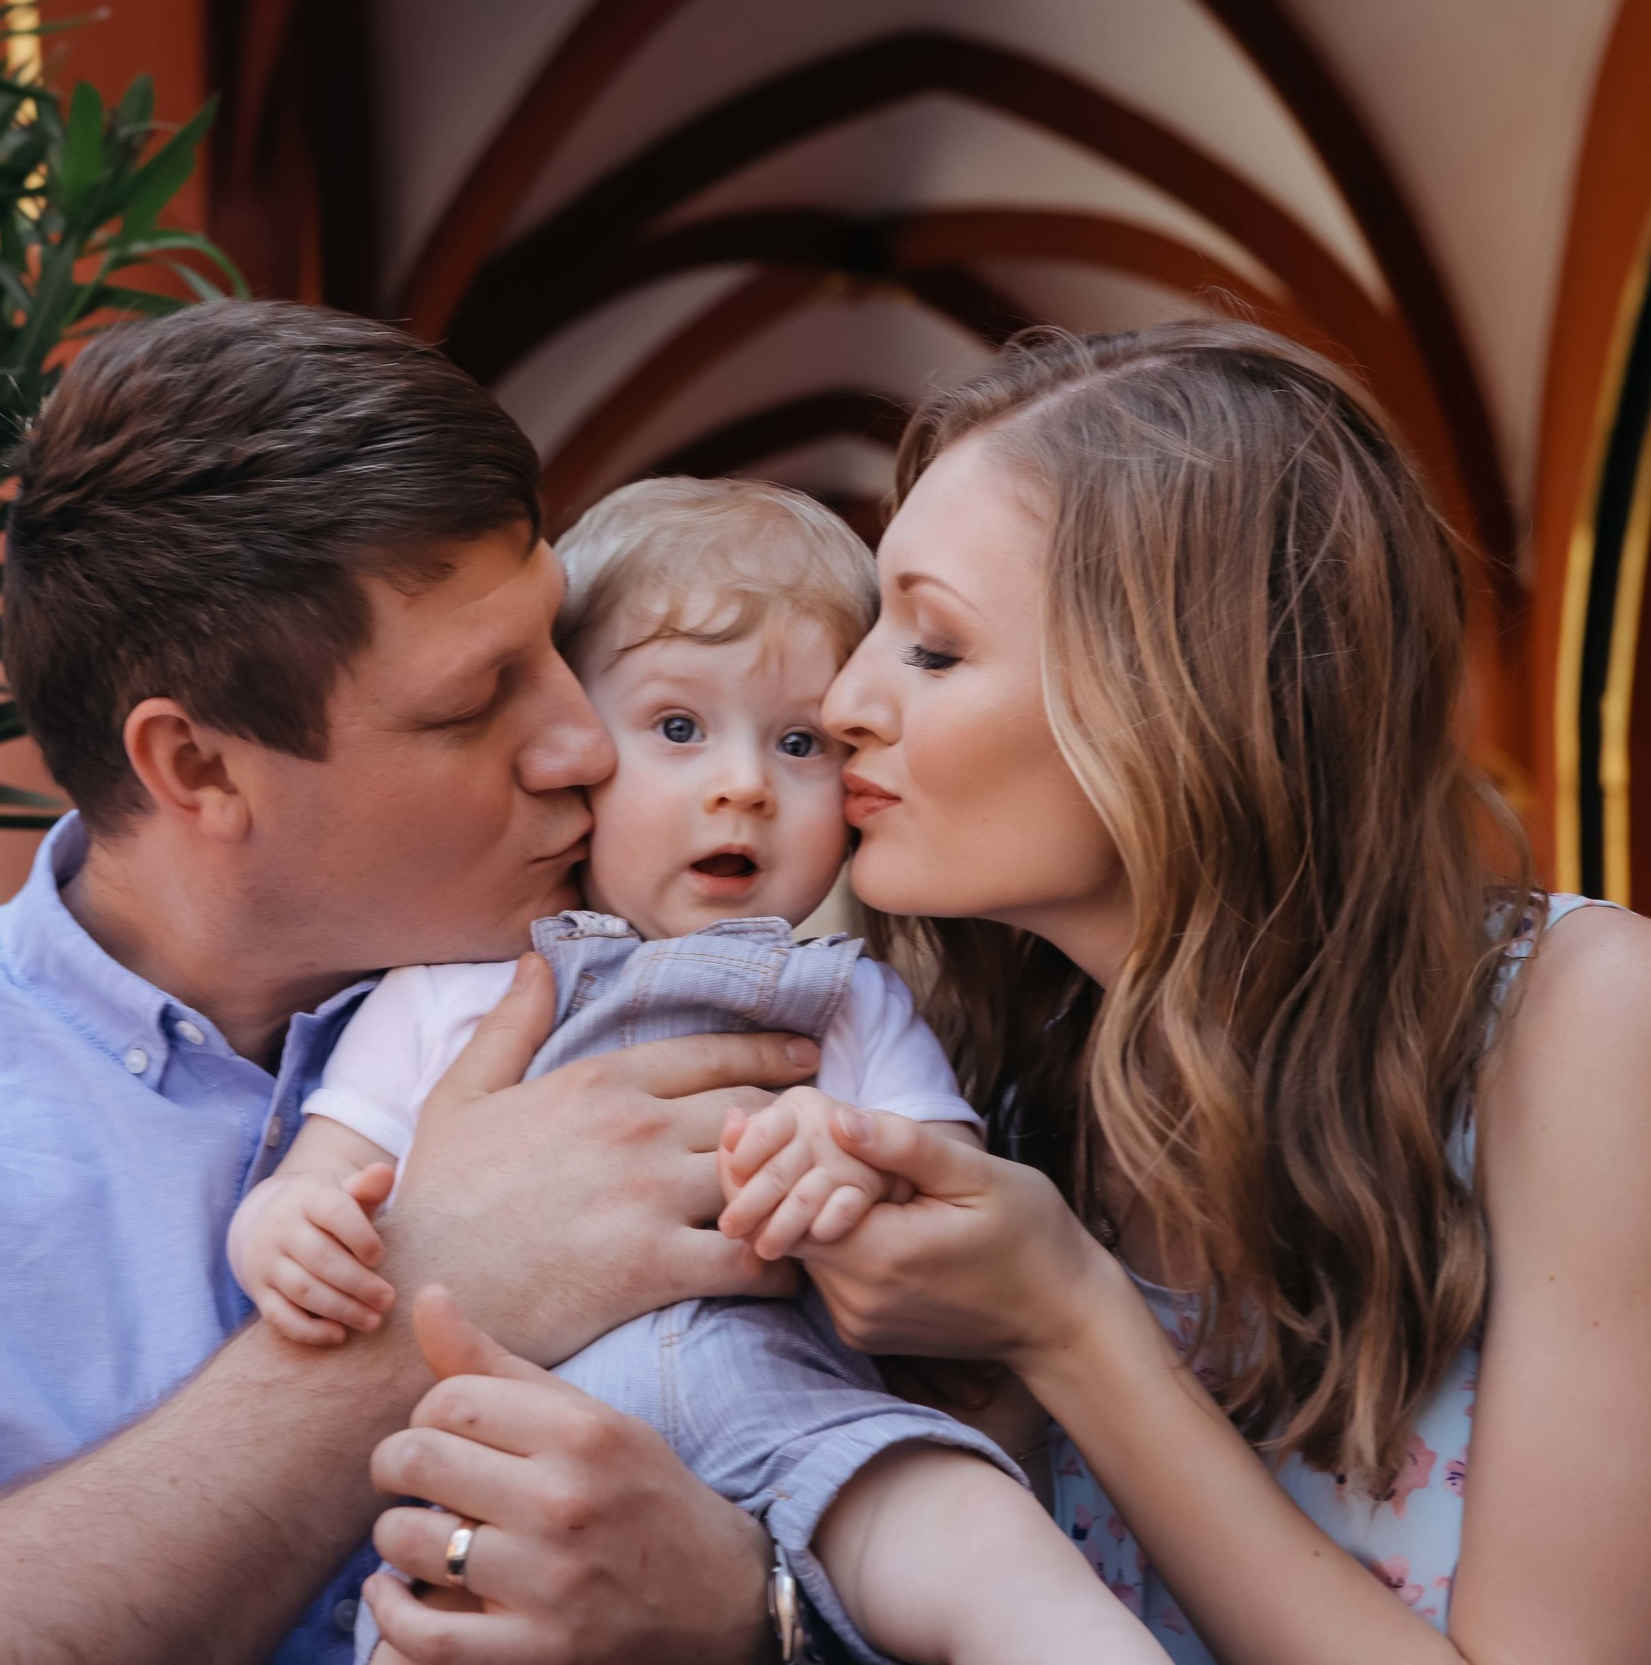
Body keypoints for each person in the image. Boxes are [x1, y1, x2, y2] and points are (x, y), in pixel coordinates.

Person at [0, 301, 860, 1664]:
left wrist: (760, 1610)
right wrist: (432, 1288)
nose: (580, 741)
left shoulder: (748, 1010)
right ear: (195, 768)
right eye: (476, 696)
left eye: (558, 642)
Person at [720, 323, 1651, 1662]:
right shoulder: (1000, 1103)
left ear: (1184, 692)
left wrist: (1069, 1321)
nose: (841, 700)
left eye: (935, 648)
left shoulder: (1589, 1021)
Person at [233, 476, 1162, 1665]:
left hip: (795, 1417)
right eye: (677, 729)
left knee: (975, 1529)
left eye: (799, 742)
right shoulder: (448, 990)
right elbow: (322, 1173)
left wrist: (847, 1166)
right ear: (570, 750)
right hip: (510, 1456)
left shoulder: (849, 997)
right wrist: (288, 1231)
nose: (744, 784)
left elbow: (950, 1200)